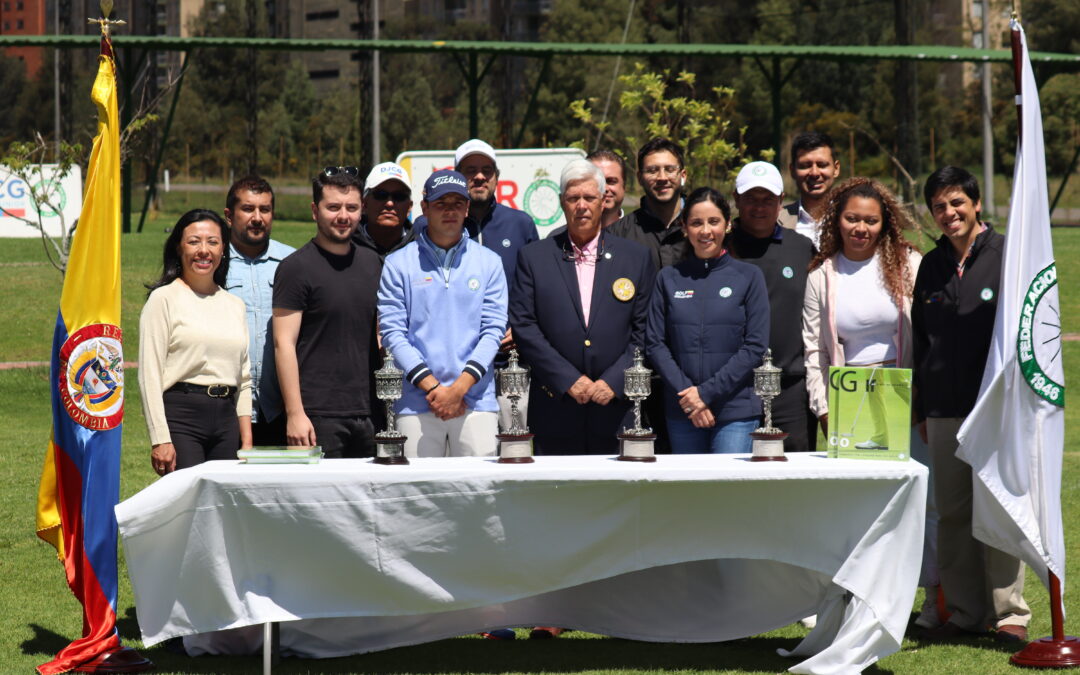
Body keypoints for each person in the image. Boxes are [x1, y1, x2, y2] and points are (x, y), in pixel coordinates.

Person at [913, 166, 1030, 643]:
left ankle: (1009, 616)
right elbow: (922, 340)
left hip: (995, 409)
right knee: (955, 513)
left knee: (998, 510)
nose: (948, 213)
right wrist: (921, 407)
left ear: (976, 203)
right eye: (939, 206)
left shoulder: (1008, 255)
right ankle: (964, 612)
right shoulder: (931, 265)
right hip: (943, 409)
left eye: (956, 203)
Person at [510, 158, 655, 455]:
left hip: (618, 406)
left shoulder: (635, 258)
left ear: (603, 201)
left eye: (589, 198)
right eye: (573, 198)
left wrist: (614, 381)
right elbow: (525, 326)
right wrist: (568, 380)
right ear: (563, 203)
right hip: (556, 405)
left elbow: (645, 330)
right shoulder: (534, 257)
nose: (581, 206)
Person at [378, 169, 508, 457]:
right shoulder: (398, 264)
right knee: (418, 498)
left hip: (475, 401)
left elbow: (493, 330)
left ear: (467, 208)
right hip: (416, 402)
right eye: (441, 204)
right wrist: (434, 389)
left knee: (479, 497)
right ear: (425, 208)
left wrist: (458, 389)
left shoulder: (489, 262)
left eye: (457, 203)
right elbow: (392, 334)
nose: (450, 211)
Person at [646, 188, 769, 453]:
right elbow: (655, 343)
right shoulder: (668, 278)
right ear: (684, 227)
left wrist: (705, 394)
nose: (705, 231)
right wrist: (689, 395)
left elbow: (755, 346)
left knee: (727, 493)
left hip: (735, 411)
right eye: (696, 223)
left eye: (713, 221)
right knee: (689, 494)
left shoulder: (749, 276)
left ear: (727, 225)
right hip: (683, 410)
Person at [272, 167, 382, 458]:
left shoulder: (373, 264)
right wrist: (295, 413)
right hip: (316, 415)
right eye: (333, 207)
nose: (343, 216)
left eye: (352, 207)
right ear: (314, 210)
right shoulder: (295, 268)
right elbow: (283, 344)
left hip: (369, 412)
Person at [139, 209, 252, 475]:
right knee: (189, 507)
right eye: (194, 242)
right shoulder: (163, 300)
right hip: (182, 417)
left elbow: (244, 378)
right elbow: (149, 375)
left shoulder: (235, 305)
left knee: (223, 509)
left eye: (212, 242)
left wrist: (246, 438)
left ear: (223, 248)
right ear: (179, 248)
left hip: (226, 420)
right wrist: (160, 438)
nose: (204, 250)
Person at [726, 161, 816, 453]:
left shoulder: (802, 248)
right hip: (733, 387)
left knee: (792, 482)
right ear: (737, 199)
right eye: (751, 198)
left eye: (768, 199)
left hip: (789, 389)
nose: (759, 207)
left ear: (780, 202)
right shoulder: (720, 248)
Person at [223, 175, 295, 447]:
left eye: (265, 209)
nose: (257, 217)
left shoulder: (292, 263)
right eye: (248, 209)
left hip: (279, 408)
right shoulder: (214, 264)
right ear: (230, 216)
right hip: (227, 410)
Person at [608, 137, 689, 269]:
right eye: (652, 170)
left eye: (669, 169)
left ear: (683, 175)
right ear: (640, 178)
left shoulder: (704, 228)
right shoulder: (618, 235)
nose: (662, 178)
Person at [780, 132, 841, 247]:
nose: (814, 173)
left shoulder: (852, 220)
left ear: (836, 168)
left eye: (822, 165)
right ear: (792, 170)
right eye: (805, 165)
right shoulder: (776, 222)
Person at [353, 161, 416, 262]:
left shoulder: (422, 249)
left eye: (399, 196)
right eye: (381, 195)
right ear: (364, 204)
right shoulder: (344, 246)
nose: (389, 203)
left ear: (409, 207)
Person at [587, 149, 628, 228]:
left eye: (611, 181)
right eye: (597, 182)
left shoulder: (641, 237)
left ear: (624, 186)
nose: (604, 188)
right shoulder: (562, 238)